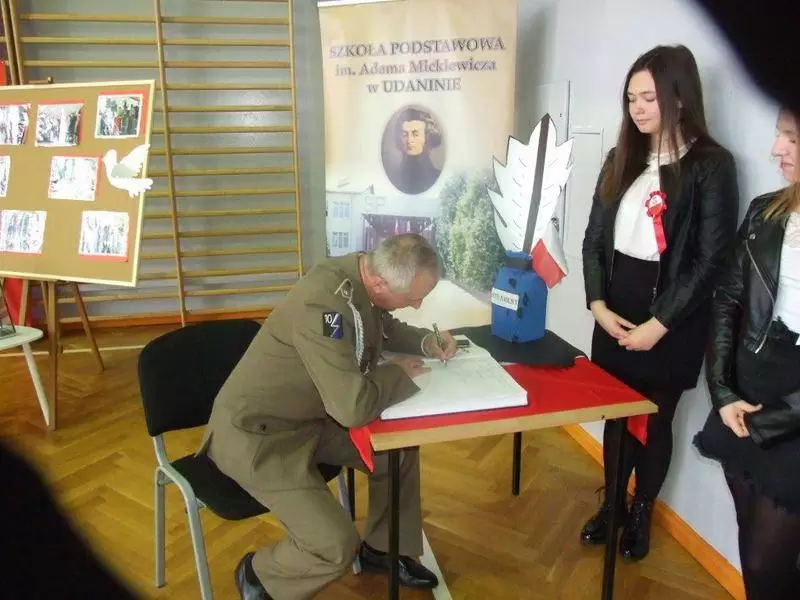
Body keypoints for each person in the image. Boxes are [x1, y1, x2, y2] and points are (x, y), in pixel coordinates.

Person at [197, 233, 458, 600]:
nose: (416, 306)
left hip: (309, 421)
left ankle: (383, 550)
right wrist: (395, 374)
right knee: (335, 545)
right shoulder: (324, 305)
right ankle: (261, 575)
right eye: (412, 299)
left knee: (397, 452)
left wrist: (424, 342)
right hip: (258, 436)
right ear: (380, 283)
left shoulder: (363, 275)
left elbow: (381, 326)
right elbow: (351, 408)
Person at [580, 44, 740, 561]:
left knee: (655, 417)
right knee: (616, 414)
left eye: (648, 97)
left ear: (680, 97)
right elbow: (593, 240)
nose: (638, 109)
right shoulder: (620, 158)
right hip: (616, 304)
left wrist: (660, 323)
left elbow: (711, 261)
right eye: (631, 98)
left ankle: (641, 510)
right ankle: (612, 506)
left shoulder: (711, 165)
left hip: (675, 314)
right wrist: (597, 303)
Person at [694, 105, 800, 600]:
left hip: (792, 408)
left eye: (792, 138)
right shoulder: (766, 212)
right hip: (746, 389)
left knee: (765, 559)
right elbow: (727, 300)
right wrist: (723, 391)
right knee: (750, 536)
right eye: (780, 135)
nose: (776, 149)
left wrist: (776, 420)